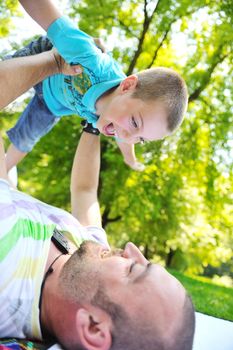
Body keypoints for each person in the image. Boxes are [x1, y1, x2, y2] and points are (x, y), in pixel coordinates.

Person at [0, 53, 195, 349]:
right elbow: (84, 191)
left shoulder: (6, 255)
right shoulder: (88, 258)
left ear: (93, 328)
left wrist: (54, 61)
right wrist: (94, 121)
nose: (131, 249)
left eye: (133, 269)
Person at [5, 0, 188, 174]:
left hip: (51, 105)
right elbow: (52, 19)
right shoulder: (92, 62)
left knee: (27, 138)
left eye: (140, 140)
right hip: (47, 58)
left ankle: (3, 174)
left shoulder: (116, 116)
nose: (127, 136)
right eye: (134, 123)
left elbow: (124, 141)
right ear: (127, 86)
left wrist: (130, 160)